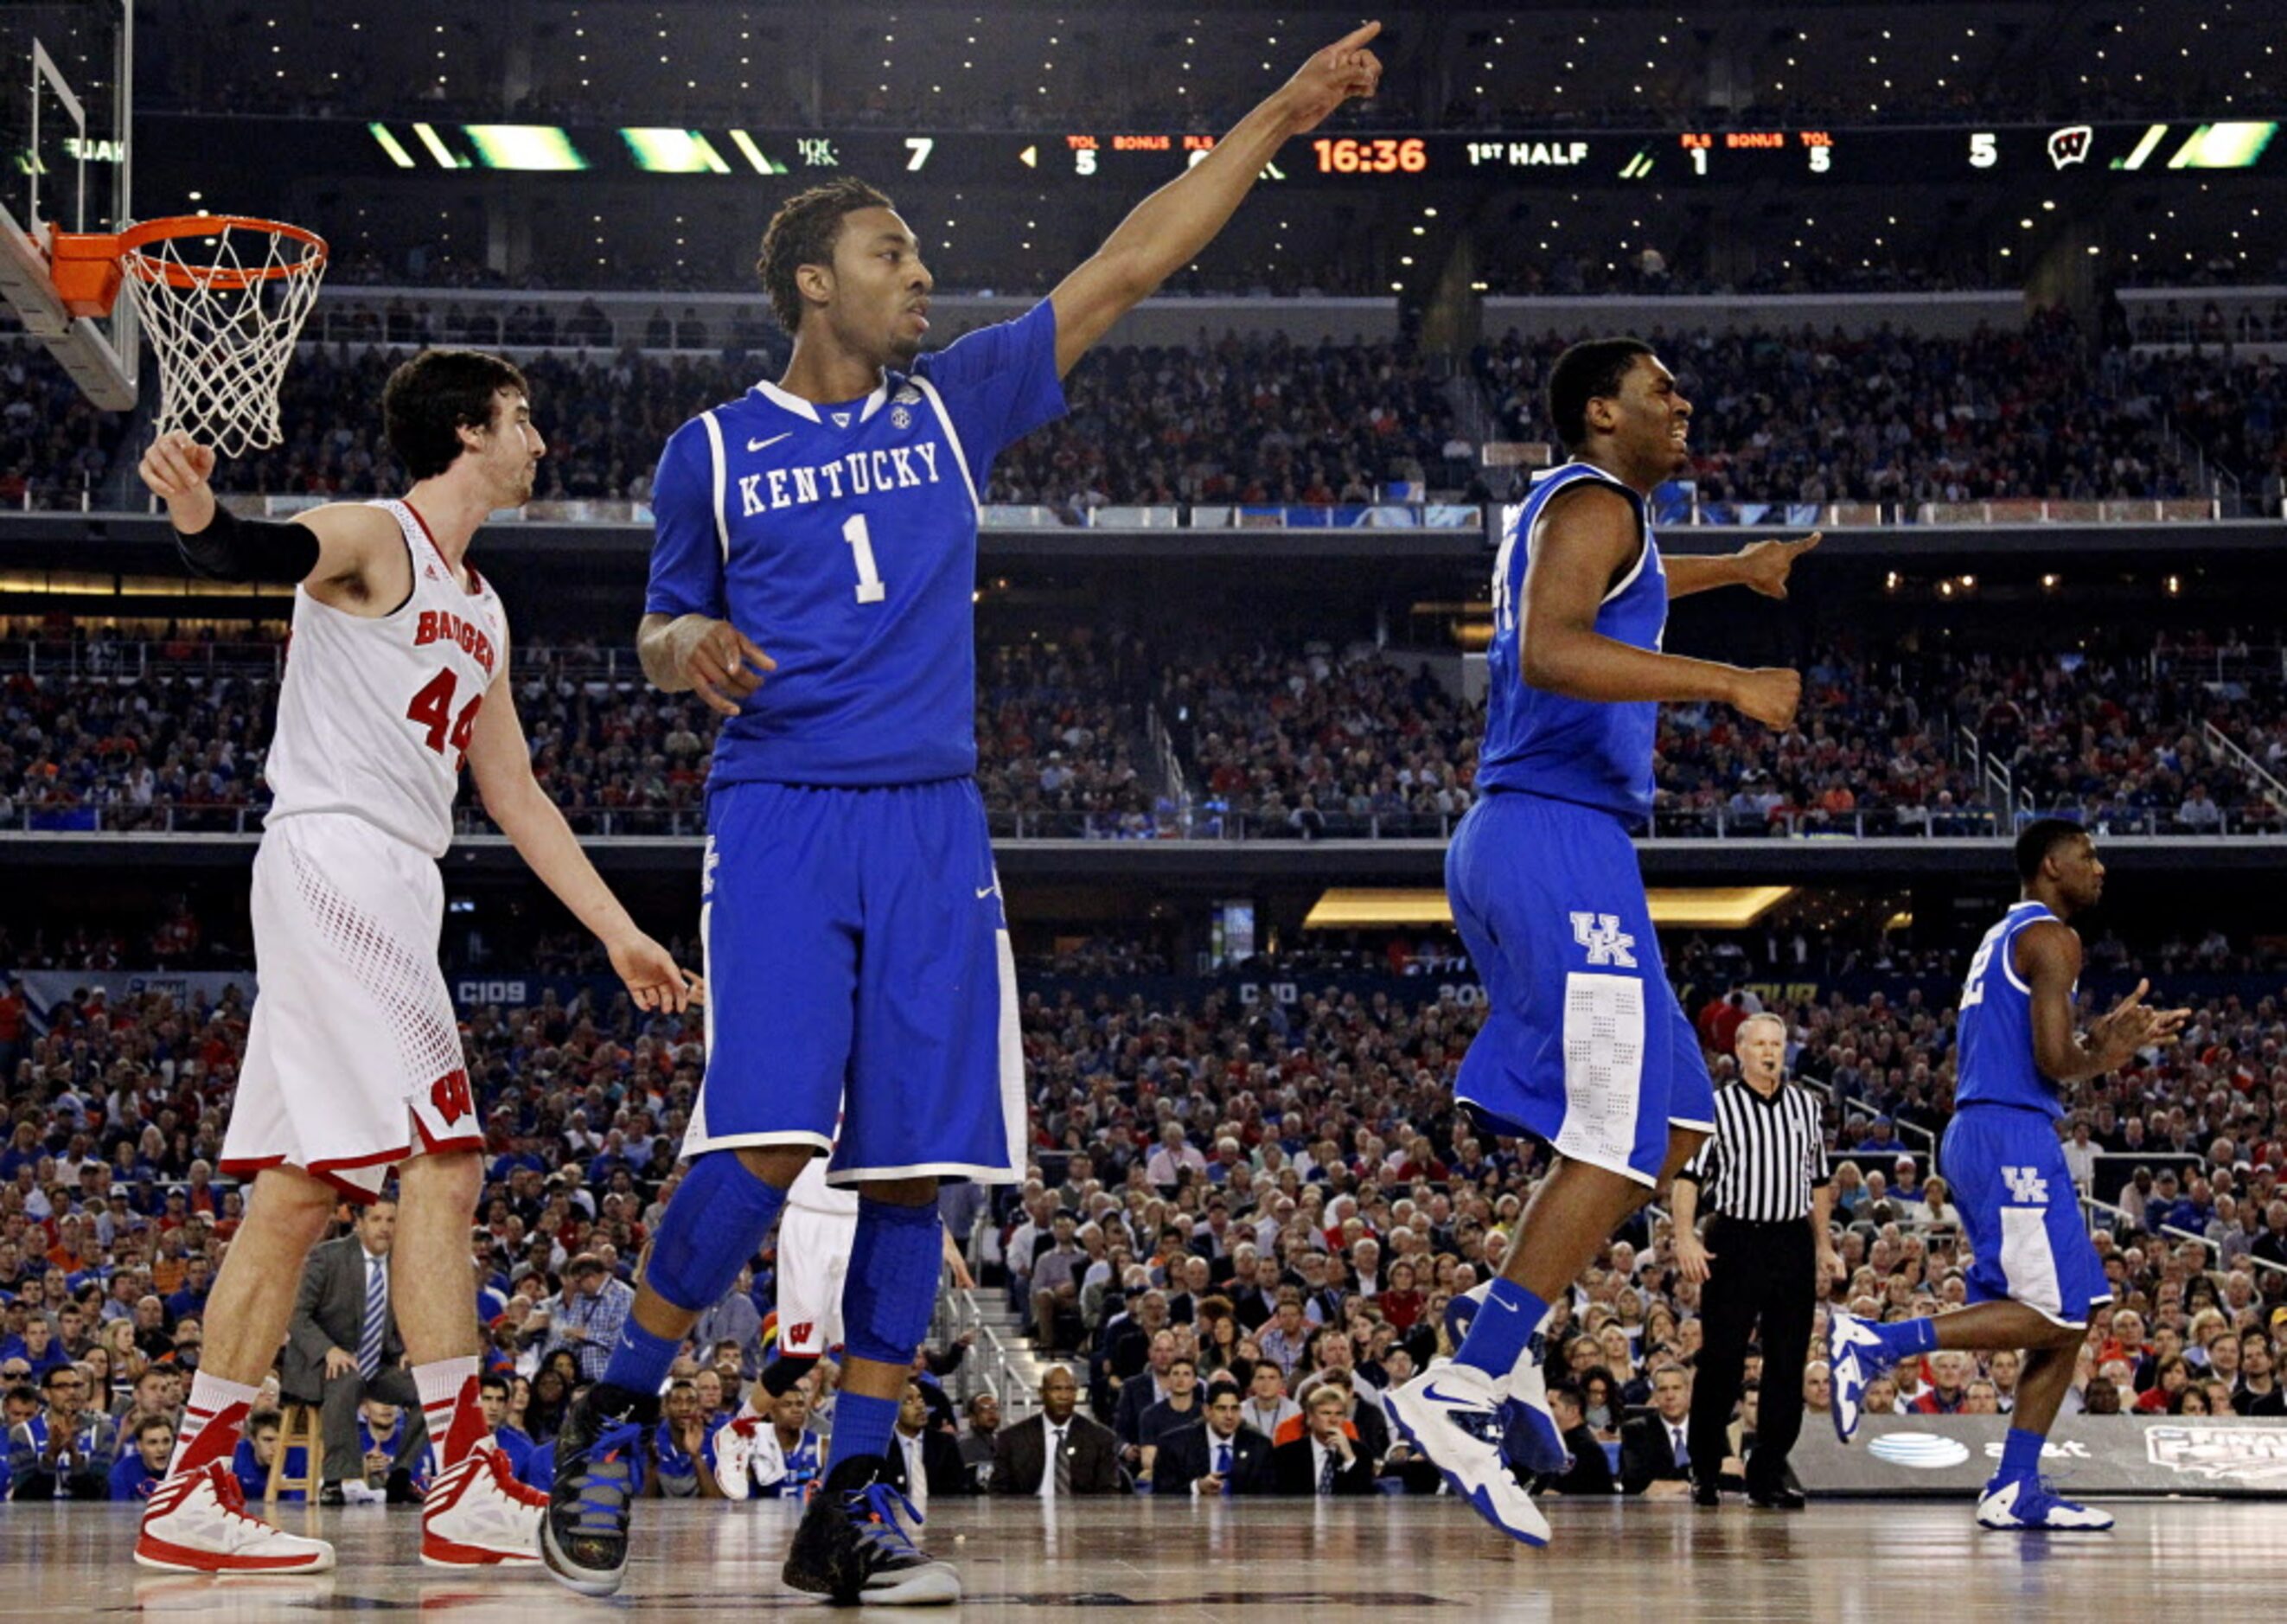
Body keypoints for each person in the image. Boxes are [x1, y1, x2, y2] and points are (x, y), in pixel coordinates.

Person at [541, 25, 1385, 1608]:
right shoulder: (710, 450)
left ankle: (852, 1495)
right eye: (892, 251)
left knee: (917, 1171)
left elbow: (1133, 260)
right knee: (772, 1133)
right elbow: (656, 628)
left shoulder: (956, 403)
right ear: (814, 280)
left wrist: (1280, 112)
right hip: (784, 808)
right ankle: (613, 1397)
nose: (922, 274)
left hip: (935, 820)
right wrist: (684, 650)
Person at [130, 355, 698, 1576]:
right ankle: (464, 1472)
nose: (539, 440)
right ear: (466, 430)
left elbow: (519, 794)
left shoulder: (482, 606)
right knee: (445, 1160)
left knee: (293, 1193)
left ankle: (187, 1488)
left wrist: (615, 926)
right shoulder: (376, 538)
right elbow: (255, 552)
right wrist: (196, 517)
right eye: (522, 419)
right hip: (338, 859)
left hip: (387, 877)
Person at [1385, 335, 1815, 1548]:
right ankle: (1462, 1382)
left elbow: (1627, 583)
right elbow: (1549, 647)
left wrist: (1741, 568)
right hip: (1550, 837)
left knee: (1681, 1119)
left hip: (1569, 845)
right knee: (1619, 1137)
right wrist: (1729, 680)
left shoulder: (1596, 514)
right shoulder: (1588, 499)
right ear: (1597, 411)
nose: (1681, 400)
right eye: (1659, 388)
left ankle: (1493, 1318)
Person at [1829, 820, 2188, 1531]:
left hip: (1988, 1129)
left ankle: (2014, 1485)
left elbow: (2044, 1053)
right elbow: (2057, 1062)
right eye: (2087, 856)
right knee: (2054, 1312)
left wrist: (2100, 1044)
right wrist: (2106, 1053)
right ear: (2052, 865)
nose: (2100, 868)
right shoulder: (2053, 937)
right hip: (2008, 1133)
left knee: (2074, 1313)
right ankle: (1876, 1343)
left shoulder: (2006, 935)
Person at [1672, 1011, 1839, 1509]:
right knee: (1722, 1361)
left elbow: (1819, 1182)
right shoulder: (1717, 1107)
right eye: (1760, 1044)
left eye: (1777, 1044)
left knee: (1787, 1364)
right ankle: (1705, 1468)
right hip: (1736, 1237)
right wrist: (1685, 1237)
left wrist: (1825, 1245)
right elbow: (1688, 1178)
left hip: (1791, 1241)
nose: (1769, 1052)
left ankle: (1766, 1473)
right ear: (1741, 1051)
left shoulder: (1807, 1107)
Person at [282, 1199, 417, 1505]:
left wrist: (407, 1350)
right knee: (347, 1379)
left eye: (391, 1220)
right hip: (321, 1364)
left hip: (376, 1364)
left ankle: (401, 1475)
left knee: (427, 1389)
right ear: (359, 1223)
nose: (385, 1227)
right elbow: (296, 1315)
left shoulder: (403, 1264)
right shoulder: (327, 1257)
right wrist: (328, 1350)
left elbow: (408, 1316)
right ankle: (334, 1480)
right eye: (377, 1219)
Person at [990, 1366, 1121, 1496]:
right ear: (1041, 1393)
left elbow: (1108, 1493)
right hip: (1028, 1514)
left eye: (1070, 1389)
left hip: (1082, 1514)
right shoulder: (1012, 1439)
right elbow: (998, 1493)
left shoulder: (1101, 1438)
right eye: (1056, 1389)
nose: (1063, 1396)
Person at [8, 1363, 113, 1499]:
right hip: (37, 1518)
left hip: (87, 1518)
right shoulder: (22, 1433)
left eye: (76, 1385)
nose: (71, 1392)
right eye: (62, 1387)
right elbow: (25, 1496)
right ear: (46, 1393)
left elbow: (98, 1493)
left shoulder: (103, 1430)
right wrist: (51, 1456)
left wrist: (75, 1456)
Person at [1152, 1381, 1274, 1497]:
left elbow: (1269, 1496)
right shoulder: (1174, 1445)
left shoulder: (1259, 1447)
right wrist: (1197, 1487)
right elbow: (1161, 1494)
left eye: (1235, 1409)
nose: (1229, 1416)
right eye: (1221, 1409)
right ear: (1207, 1411)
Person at [1270, 1379, 1374, 1496]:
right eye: (1326, 1413)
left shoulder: (1360, 1454)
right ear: (1310, 1416)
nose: (1333, 1420)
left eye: (1339, 1414)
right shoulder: (1286, 1455)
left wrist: (1349, 1458)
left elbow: (1365, 1500)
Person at [880, 1378, 967, 1512]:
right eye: (909, 1401)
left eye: (920, 1399)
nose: (919, 1406)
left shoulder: (945, 1444)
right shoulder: (883, 1448)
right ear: (892, 1409)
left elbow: (959, 1491)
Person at [1619, 1367, 1697, 1498]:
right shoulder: (1636, 1431)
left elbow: (1731, 1474)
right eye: (1662, 1389)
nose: (1670, 1396)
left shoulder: (1709, 1430)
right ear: (1654, 1395)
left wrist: (1686, 1486)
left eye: (1676, 1388)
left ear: (1689, 1392)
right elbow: (1635, 1482)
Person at [1533, 1385, 1615, 1496]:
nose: (1545, 1410)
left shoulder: (1585, 1449)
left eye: (1552, 1405)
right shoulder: (1556, 1444)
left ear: (1573, 1411)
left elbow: (1555, 1494)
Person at [109, 1415, 177, 1503]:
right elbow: (120, 1515)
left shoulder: (185, 1470)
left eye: (166, 1441)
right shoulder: (122, 1473)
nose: (161, 1449)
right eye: (153, 1442)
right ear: (139, 1446)